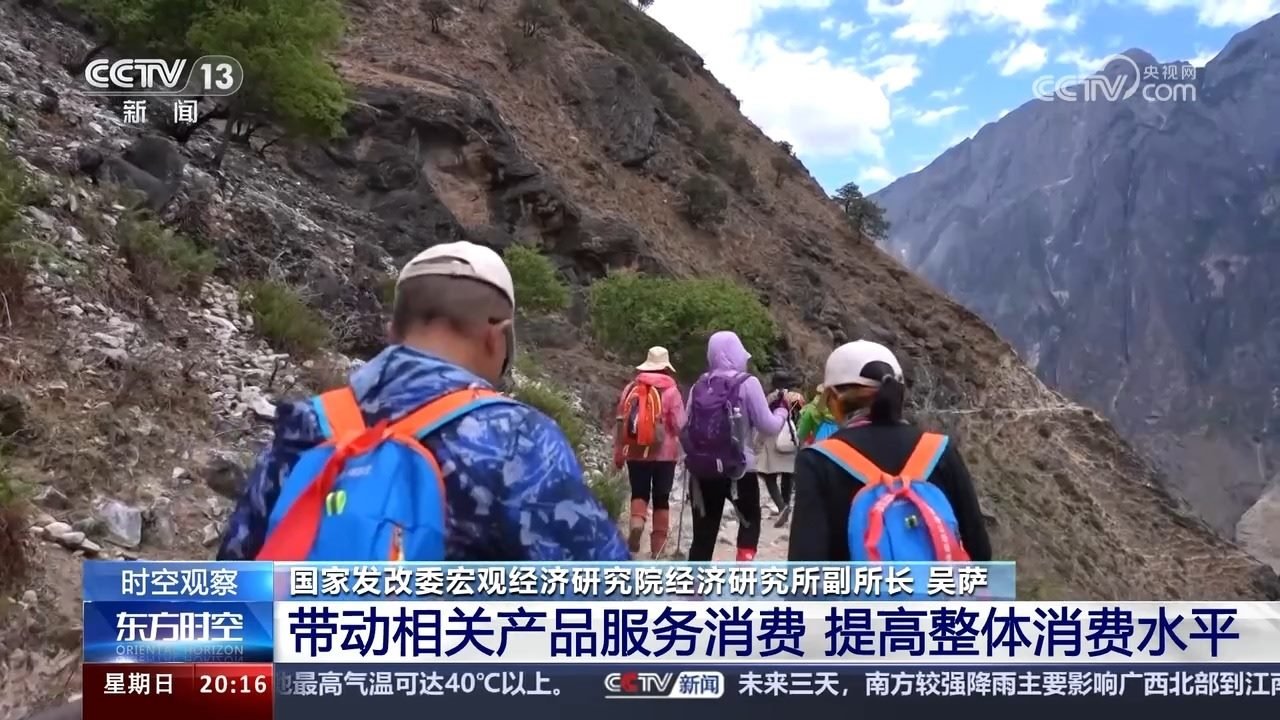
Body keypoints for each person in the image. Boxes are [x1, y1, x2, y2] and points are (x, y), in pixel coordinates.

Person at [217, 241, 630, 562]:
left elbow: (235, 575)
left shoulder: (306, 424)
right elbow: (609, 601)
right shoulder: (516, 439)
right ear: (496, 335)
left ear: (392, 332)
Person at [788, 340, 992, 562]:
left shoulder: (818, 460)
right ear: (899, 393)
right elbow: (980, 550)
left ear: (834, 397)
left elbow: (805, 563)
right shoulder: (940, 449)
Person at [681, 331, 789, 562]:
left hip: (702, 470)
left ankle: (695, 582)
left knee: (703, 534)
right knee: (750, 522)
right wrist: (781, 411)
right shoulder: (748, 383)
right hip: (739, 469)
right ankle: (742, 573)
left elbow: (685, 423)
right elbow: (768, 426)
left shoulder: (700, 384)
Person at [613, 346, 686, 558]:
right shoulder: (671, 391)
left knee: (639, 493)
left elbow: (621, 421)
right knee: (662, 498)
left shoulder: (631, 388)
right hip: (665, 455)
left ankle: (637, 525)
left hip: (636, 452)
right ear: (666, 367)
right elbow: (680, 424)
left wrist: (619, 453)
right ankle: (658, 549)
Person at [755, 373, 803, 527]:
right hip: (789, 434)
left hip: (772, 437)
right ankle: (786, 504)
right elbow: (800, 413)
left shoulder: (771, 398)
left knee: (768, 474)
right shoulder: (794, 397)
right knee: (788, 473)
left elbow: (762, 416)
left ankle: (782, 507)